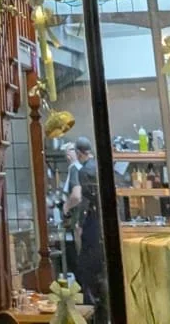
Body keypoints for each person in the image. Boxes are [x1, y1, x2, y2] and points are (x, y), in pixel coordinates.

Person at [74, 137, 108, 324]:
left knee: (87, 272)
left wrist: (79, 223)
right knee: (101, 274)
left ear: (79, 153)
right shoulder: (100, 166)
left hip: (92, 226)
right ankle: (104, 315)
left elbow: (84, 201)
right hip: (104, 226)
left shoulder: (84, 171)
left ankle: (92, 316)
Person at [60, 143, 82, 276]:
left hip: (79, 218)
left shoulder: (75, 169)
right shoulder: (79, 168)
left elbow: (76, 196)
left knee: (81, 253)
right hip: (82, 218)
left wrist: (66, 207)